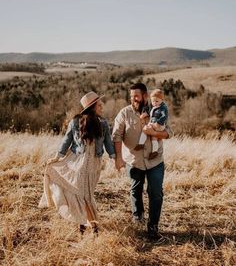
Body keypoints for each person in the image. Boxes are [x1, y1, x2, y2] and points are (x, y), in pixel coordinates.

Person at [39, 91, 115, 236]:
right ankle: (92, 228)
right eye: (99, 105)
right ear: (92, 107)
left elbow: (108, 143)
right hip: (78, 163)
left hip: (95, 165)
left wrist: (114, 157)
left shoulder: (103, 124)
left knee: (87, 195)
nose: (102, 107)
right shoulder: (76, 122)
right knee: (83, 195)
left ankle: (85, 226)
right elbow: (67, 140)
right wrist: (57, 157)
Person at [112, 83, 173, 240]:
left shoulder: (157, 110)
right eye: (131, 97)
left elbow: (169, 132)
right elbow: (116, 135)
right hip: (134, 160)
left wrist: (154, 132)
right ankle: (138, 219)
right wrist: (118, 157)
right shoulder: (124, 113)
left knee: (156, 193)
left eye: (137, 96)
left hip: (155, 160)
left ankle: (153, 227)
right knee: (136, 191)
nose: (134, 99)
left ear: (145, 96)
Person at [135, 89, 168, 160]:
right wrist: (145, 114)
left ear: (162, 100)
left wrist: (158, 123)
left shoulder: (163, 108)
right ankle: (154, 151)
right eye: (153, 101)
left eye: (157, 101)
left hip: (159, 124)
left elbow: (164, 116)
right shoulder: (154, 107)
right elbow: (151, 112)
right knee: (154, 138)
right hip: (155, 123)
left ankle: (141, 143)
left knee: (145, 129)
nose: (154, 103)